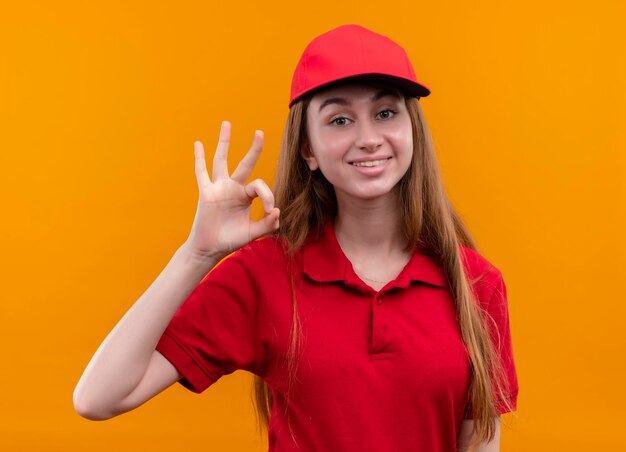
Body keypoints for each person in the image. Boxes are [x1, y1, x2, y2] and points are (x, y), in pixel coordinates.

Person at [73, 24, 518, 452]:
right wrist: (197, 254)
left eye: (385, 113)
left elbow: (480, 443)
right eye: (340, 120)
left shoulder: (475, 283)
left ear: (411, 131)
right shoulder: (265, 273)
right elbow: (98, 399)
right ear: (308, 150)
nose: (368, 139)